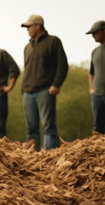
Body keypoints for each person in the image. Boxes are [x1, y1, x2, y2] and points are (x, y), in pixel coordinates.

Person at [21, 15, 68, 151]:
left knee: (48, 127)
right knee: (31, 129)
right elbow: (27, 69)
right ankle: (33, 161)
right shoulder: (27, 47)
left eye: (29, 26)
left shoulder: (53, 41)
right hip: (27, 92)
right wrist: (23, 89)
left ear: (38, 26)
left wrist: (56, 84)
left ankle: (51, 158)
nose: (27, 29)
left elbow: (62, 65)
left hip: (45, 90)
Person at [87, 20, 105, 134]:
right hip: (98, 95)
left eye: (95, 32)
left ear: (104, 30)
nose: (93, 35)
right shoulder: (95, 52)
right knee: (97, 130)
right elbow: (91, 72)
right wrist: (91, 88)